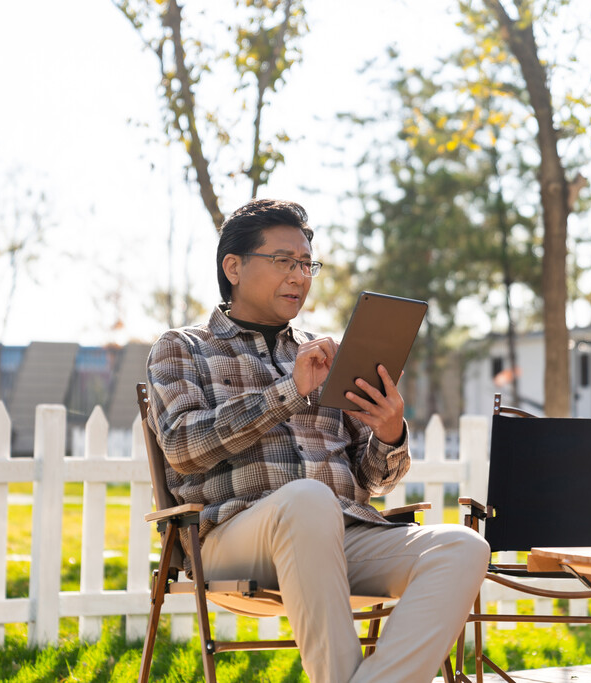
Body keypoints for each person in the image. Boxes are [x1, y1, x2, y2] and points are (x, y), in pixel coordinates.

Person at [145, 198, 490, 683]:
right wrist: (289, 392)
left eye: (307, 264)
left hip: (342, 533)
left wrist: (390, 433)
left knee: (462, 546)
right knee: (308, 500)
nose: (299, 276)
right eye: (284, 261)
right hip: (231, 536)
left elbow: (372, 481)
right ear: (234, 267)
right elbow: (183, 448)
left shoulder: (327, 353)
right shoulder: (183, 347)